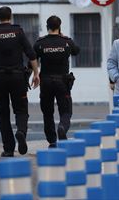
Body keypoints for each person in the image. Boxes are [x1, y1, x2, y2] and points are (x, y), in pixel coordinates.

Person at [0, 6, 40, 157]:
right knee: (21, 110)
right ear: (10, 16)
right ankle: (21, 131)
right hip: (17, 78)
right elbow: (31, 54)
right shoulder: (18, 31)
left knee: (3, 114)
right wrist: (36, 74)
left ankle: (8, 148)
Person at [34, 16, 80, 148]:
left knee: (47, 112)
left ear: (47, 26)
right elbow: (77, 51)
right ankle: (62, 127)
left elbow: (32, 59)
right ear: (59, 26)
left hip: (46, 81)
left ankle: (52, 141)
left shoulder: (40, 43)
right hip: (62, 82)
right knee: (66, 111)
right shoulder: (66, 42)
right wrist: (63, 37)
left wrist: (34, 74)